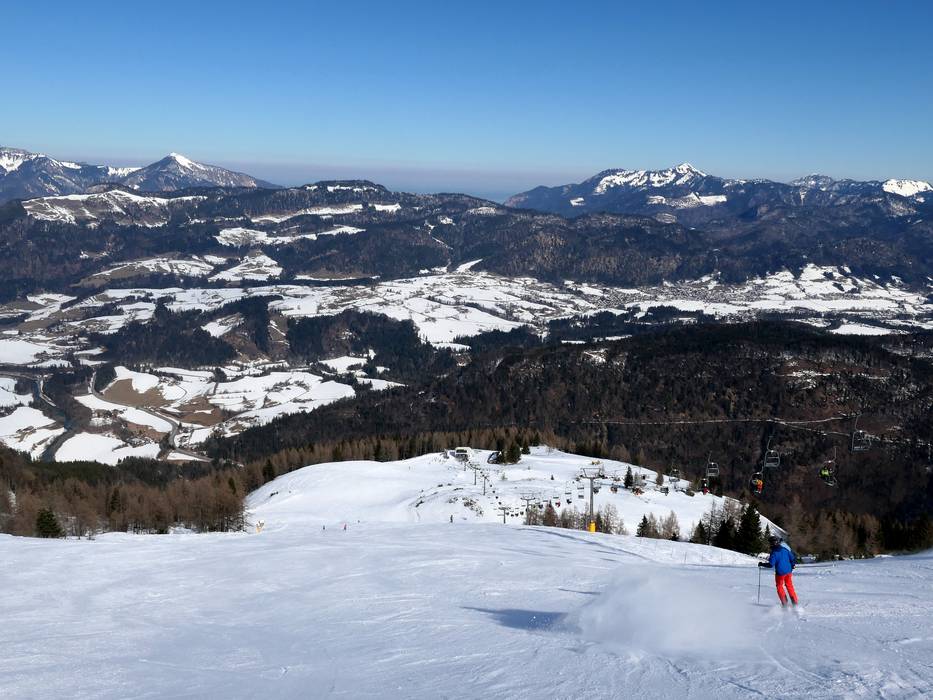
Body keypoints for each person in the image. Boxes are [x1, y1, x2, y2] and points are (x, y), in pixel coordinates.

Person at [758, 535, 798, 606]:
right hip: (789, 571)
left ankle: (784, 603)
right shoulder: (785, 549)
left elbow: (771, 564)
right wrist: (792, 565)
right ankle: (795, 602)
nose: (770, 544)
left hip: (780, 573)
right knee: (789, 586)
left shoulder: (774, 553)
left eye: (770, 543)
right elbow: (792, 558)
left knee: (779, 586)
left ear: (772, 543)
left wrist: (762, 564)